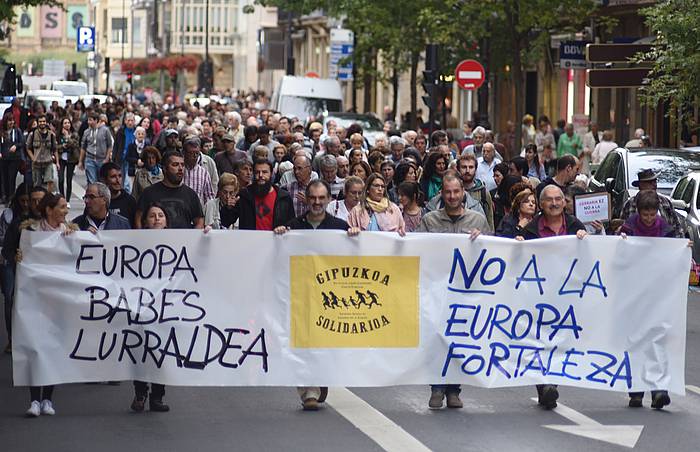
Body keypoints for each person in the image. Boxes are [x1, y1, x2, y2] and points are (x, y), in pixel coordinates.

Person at [273, 179, 360, 411]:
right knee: (302, 342)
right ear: (305, 199)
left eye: (322, 198)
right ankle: (308, 391)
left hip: (330, 298)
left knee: (325, 341)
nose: (317, 202)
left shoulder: (340, 227)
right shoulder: (293, 226)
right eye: (313, 198)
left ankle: (321, 377)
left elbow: (357, 257)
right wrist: (281, 235)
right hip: (301, 295)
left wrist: (354, 237)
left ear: (329, 200)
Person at [416, 173, 488, 409]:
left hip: (466, 291)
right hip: (436, 289)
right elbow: (416, 249)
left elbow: (494, 250)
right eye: (447, 192)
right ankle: (436, 388)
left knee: (459, 340)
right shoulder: (429, 220)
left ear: (463, 193)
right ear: (441, 193)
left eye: (456, 192)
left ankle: (454, 390)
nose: (452, 196)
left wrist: (482, 239)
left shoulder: (477, 219)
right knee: (436, 338)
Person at [516, 185, 587, 410]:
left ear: (564, 203)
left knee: (561, 339)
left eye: (558, 199)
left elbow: (591, 257)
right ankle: (545, 384)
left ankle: (552, 380)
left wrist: (586, 240)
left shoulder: (576, 226)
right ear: (541, 204)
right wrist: (517, 245)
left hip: (568, 295)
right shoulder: (530, 230)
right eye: (549, 200)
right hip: (539, 295)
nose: (554, 203)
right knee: (540, 340)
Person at [19, 192, 78, 417]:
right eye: (62, 207)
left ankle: (48, 400)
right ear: (49, 210)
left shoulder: (69, 232)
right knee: (35, 347)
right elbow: (12, 252)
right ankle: (34, 400)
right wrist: (17, 256)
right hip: (33, 299)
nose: (66, 211)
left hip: (59, 301)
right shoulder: (30, 232)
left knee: (53, 348)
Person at [130, 202, 172, 413]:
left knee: (160, 353)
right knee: (139, 351)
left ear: (166, 222)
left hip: (165, 308)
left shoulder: (179, 242)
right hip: (140, 305)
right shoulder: (135, 243)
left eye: (161, 215)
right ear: (145, 222)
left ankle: (157, 396)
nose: (157, 219)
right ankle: (140, 392)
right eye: (152, 215)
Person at [135, 152, 204, 229]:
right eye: (175, 165)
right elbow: (138, 219)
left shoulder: (191, 194)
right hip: (155, 239)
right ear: (164, 168)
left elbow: (199, 222)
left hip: (184, 240)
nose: (180, 168)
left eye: (183, 165)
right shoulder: (149, 193)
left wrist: (192, 239)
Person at [0, 183, 29, 354]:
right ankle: (12, 338)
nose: (25, 204)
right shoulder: (8, 216)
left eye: (28, 201)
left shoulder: (38, 217)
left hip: (30, 263)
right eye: (22, 201)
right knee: (10, 298)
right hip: (9, 262)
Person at [620, 169, 684, 238]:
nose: (654, 184)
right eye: (650, 182)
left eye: (655, 181)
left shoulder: (665, 202)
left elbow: (677, 227)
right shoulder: (629, 204)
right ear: (641, 185)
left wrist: (682, 244)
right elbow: (622, 230)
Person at [238, 160, 295, 230]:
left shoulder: (284, 197)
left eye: (264, 172)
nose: (260, 175)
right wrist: (228, 208)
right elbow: (227, 220)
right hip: (250, 239)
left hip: (276, 240)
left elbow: (292, 224)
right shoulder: (244, 195)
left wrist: (284, 228)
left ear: (271, 173)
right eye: (257, 172)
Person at [456, 154, 495, 232]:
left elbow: (489, 220)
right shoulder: (452, 191)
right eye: (464, 167)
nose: (467, 171)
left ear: (475, 169)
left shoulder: (483, 193)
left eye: (471, 167)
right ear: (458, 169)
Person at [79, 112, 114, 184]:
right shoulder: (86, 132)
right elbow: (83, 147)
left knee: (102, 180)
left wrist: (107, 159)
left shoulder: (105, 130)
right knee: (92, 181)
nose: (89, 122)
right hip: (90, 159)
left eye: (91, 120)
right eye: (88, 120)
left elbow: (109, 145)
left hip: (101, 159)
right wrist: (80, 161)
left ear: (96, 121)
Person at [99, 162, 137, 227]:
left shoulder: (130, 201)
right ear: (104, 180)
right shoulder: (96, 201)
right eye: (113, 177)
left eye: (120, 176)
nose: (118, 180)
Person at [26, 115, 59, 188]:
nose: (42, 123)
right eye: (40, 122)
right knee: (37, 184)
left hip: (48, 162)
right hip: (36, 163)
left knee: (50, 181)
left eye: (43, 121)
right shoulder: (33, 134)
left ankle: (48, 198)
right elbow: (28, 148)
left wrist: (57, 162)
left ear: (46, 122)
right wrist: (33, 158)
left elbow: (55, 149)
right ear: (37, 123)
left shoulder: (51, 135)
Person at [182, 136, 215, 208]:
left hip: (198, 212)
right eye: (191, 153)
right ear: (184, 153)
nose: (194, 156)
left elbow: (209, 197)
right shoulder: (180, 170)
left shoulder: (204, 173)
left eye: (197, 153)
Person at [1, 115, 25, 203]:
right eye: (9, 121)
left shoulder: (17, 131)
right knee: (4, 178)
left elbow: (22, 142)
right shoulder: (2, 131)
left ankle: (11, 197)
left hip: (15, 158)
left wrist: (16, 146)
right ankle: (5, 196)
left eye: (12, 121)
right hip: (4, 158)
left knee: (11, 178)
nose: (11, 123)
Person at [57, 117, 80, 205]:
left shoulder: (74, 134)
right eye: (65, 123)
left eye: (68, 123)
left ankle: (67, 200)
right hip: (61, 159)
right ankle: (62, 197)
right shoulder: (58, 135)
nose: (67, 124)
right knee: (61, 179)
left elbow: (75, 144)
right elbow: (55, 147)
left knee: (69, 180)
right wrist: (62, 146)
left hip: (71, 159)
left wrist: (67, 137)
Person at [112, 112, 136, 193]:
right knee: (120, 180)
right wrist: (114, 158)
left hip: (131, 160)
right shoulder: (121, 131)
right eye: (128, 120)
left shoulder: (137, 131)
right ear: (125, 121)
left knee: (127, 182)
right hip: (121, 158)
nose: (130, 122)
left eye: (132, 120)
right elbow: (116, 146)